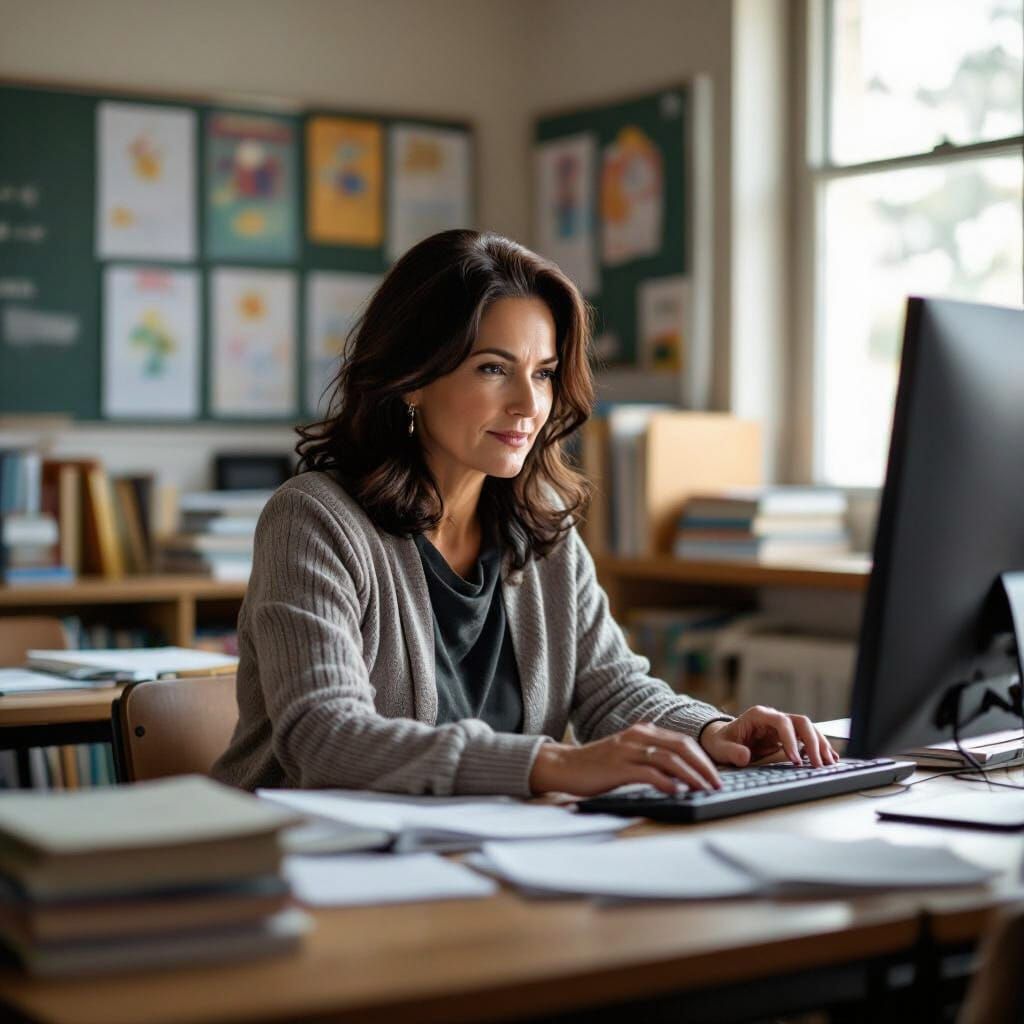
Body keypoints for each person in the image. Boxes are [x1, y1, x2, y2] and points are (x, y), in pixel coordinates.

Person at [212, 229, 838, 797]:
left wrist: (712, 731)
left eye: (543, 374)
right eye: (493, 368)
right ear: (412, 378)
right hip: (309, 856)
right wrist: (552, 764)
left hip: (485, 854)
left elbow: (611, 688)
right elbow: (325, 738)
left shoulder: (541, 526)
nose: (529, 404)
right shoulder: (314, 520)